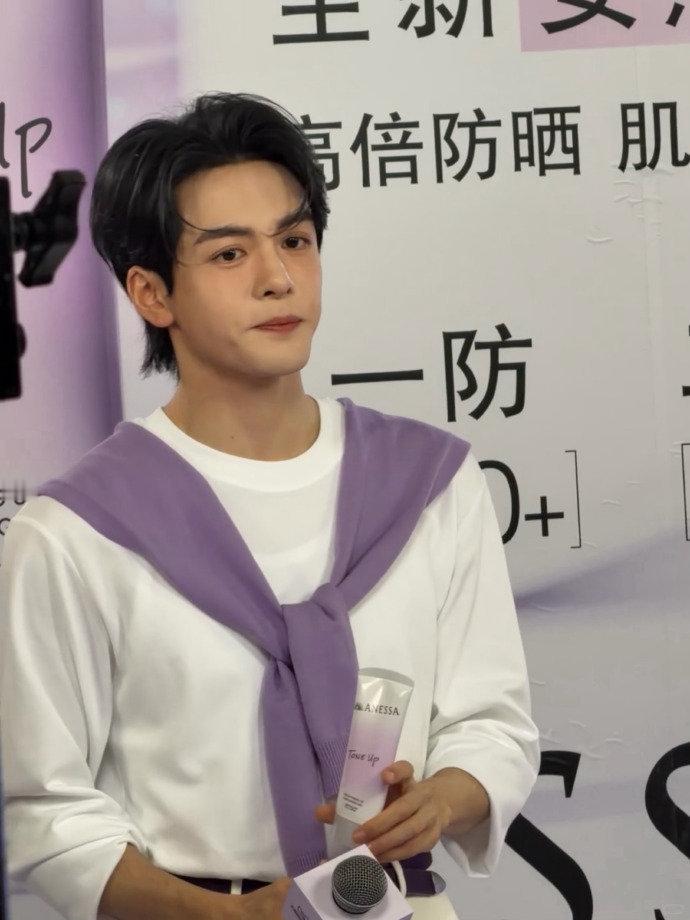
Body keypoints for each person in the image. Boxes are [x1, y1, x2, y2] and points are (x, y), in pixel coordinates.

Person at [0, 92, 540, 920]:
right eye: (229, 254)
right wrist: (235, 916)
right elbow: (47, 814)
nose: (278, 277)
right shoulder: (76, 533)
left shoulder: (430, 482)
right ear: (151, 294)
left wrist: (444, 797)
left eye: (295, 240)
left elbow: (492, 723)